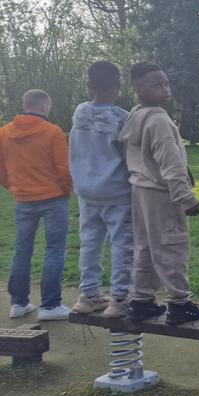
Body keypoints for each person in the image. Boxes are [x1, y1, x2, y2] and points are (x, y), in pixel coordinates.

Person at [118, 61, 199, 325]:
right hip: (161, 193)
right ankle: (180, 303)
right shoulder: (158, 120)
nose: (165, 89)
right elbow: (171, 164)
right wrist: (187, 198)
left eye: (166, 83)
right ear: (139, 90)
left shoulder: (135, 115)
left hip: (140, 189)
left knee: (145, 247)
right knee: (172, 245)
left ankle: (141, 300)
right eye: (156, 85)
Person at [0, 90, 74, 320]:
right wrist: (66, 191)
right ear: (44, 107)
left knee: (22, 250)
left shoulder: (4, 133)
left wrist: (13, 188)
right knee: (54, 250)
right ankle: (50, 306)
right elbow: (64, 168)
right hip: (53, 199)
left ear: (25, 105)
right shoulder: (52, 132)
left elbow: (1, 170)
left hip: (23, 200)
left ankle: (19, 303)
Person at [70, 61, 134, 318]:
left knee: (89, 242)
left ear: (89, 85)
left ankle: (88, 295)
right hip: (117, 191)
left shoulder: (79, 112)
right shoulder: (122, 117)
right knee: (122, 243)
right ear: (118, 85)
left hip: (86, 190)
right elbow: (130, 153)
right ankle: (119, 298)